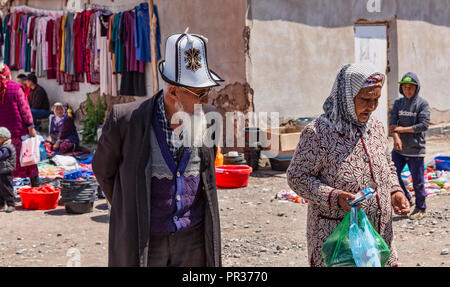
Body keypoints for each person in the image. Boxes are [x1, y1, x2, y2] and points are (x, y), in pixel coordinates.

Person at [92, 31, 224, 267]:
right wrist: (129, 203)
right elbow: (104, 171)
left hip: (192, 239)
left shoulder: (209, 117)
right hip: (147, 239)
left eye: (208, 92)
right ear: (173, 92)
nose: (206, 101)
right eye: (199, 93)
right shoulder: (126, 120)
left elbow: (207, 169)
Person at [287, 63, 410, 267]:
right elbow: (297, 177)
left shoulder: (376, 128)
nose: (371, 107)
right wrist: (334, 197)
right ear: (345, 96)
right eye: (365, 99)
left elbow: (388, 165)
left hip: (379, 239)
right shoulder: (318, 133)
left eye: (376, 99)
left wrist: (395, 191)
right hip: (340, 243)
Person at [389, 73, 430, 220]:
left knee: (418, 181)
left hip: (416, 150)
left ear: (416, 88)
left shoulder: (422, 104)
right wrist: (396, 137)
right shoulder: (398, 103)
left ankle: (421, 208)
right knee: (391, 174)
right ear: (401, 88)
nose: (407, 90)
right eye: (405, 87)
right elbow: (392, 124)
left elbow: (423, 125)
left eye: (410, 87)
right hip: (399, 149)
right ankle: (407, 196)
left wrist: (402, 130)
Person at [0, 64, 40, 187]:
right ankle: (35, 186)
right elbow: (25, 109)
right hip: (18, 132)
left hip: (2, 135)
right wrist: (30, 126)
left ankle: (6, 195)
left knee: (5, 162)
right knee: (27, 159)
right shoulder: (16, 87)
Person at [0, 127, 16, 213]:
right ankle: (1, 204)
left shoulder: (7, 148)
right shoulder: (2, 146)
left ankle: (11, 204)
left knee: (7, 188)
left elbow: (1, 156)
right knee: (0, 189)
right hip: (1, 170)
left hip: (5, 171)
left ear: (4, 138)